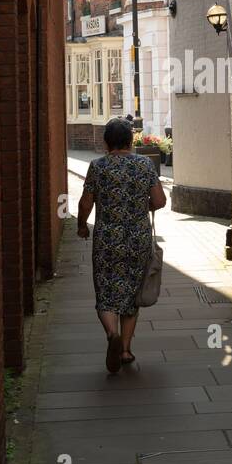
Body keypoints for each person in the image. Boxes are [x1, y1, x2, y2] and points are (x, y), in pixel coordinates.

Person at [76, 117, 167, 373]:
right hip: (138, 239)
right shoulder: (145, 165)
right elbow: (159, 201)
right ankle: (125, 350)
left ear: (106, 142)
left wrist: (82, 225)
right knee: (132, 295)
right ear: (130, 140)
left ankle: (111, 335)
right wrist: (139, 207)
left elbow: (86, 202)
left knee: (106, 291)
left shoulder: (97, 166)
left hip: (107, 239)